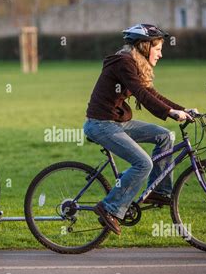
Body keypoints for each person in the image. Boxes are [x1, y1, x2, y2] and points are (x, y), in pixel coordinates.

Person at [83, 23, 197, 235]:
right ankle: (109, 208)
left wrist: (182, 110)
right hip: (101, 125)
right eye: (158, 49)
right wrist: (170, 113)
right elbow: (142, 96)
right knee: (143, 163)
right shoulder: (124, 63)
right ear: (145, 47)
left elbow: (152, 94)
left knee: (164, 136)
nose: (161, 55)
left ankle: (159, 192)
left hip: (117, 123)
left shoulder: (133, 63)